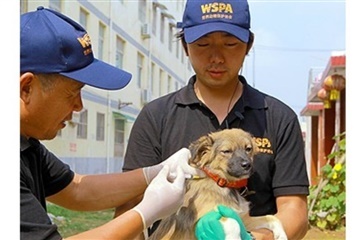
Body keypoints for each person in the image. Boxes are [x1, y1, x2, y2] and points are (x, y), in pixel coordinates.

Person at [115, 0, 310, 239]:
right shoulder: (157, 117)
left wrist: (252, 238)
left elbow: (295, 210)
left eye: (230, 44)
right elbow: (129, 208)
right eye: (203, 44)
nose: (216, 57)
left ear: (248, 45)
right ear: (185, 45)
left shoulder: (277, 117)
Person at [20, 7, 205, 240]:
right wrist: (145, 213)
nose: (79, 106)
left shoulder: (26, 145)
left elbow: (78, 189)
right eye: (72, 93)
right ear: (26, 88)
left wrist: (155, 172)